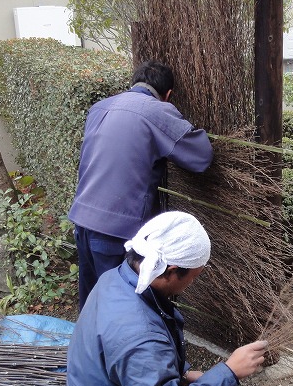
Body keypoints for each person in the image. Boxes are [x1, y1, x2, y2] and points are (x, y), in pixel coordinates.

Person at [66, 211, 268, 386]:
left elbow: (139, 366)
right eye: (194, 276)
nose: (193, 284)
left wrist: (183, 374)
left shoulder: (116, 279)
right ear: (172, 270)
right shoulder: (138, 333)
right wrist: (229, 372)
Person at [69, 61, 214, 311]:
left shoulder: (99, 108)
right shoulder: (157, 111)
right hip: (116, 230)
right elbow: (201, 157)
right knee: (122, 309)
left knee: (93, 302)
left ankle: (88, 349)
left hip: (82, 220)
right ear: (167, 95)